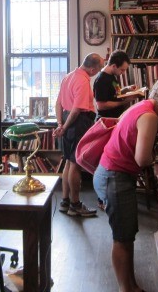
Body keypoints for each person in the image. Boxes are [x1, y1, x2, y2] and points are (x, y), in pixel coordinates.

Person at [93, 75, 158, 292]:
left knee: (126, 236)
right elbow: (141, 159)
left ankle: (131, 285)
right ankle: (126, 288)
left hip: (109, 173)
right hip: (115, 177)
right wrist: (156, 160)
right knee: (122, 237)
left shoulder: (141, 106)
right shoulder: (149, 116)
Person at [53, 53, 104, 217]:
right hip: (78, 122)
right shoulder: (82, 80)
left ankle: (65, 201)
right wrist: (64, 127)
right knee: (75, 164)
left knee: (68, 161)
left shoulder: (68, 77)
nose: (99, 71)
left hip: (68, 120)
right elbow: (76, 110)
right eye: (99, 68)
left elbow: (58, 103)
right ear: (92, 68)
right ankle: (75, 204)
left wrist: (60, 124)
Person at [93, 50, 139, 120]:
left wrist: (127, 89)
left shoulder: (112, 75)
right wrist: (124, 102)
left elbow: (115, 93)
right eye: (122, 70)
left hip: (115, 118)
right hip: (107, 120)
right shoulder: (101, 79)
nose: (123, 73)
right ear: (114, 66)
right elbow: (101, 105)